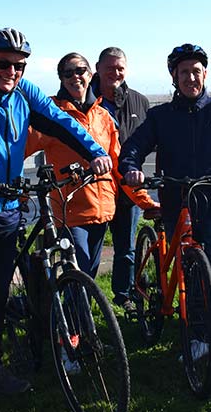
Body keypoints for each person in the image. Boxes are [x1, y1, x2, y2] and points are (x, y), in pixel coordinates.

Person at [0, 28, 112, 394]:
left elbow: (61, 122)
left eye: (20, 66)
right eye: (5, 64)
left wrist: (94, 152)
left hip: (6, 211)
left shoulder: (24, 92)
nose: (13, 72)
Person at [120, 43, 211, 379]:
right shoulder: (160, 117)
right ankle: (198, 339)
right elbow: (133, 148)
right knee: (187, 278)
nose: (190, 77)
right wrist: (131, 167)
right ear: (174, 76)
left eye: (196, 71)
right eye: (183, 72)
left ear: (205, 74)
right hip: (176, 205)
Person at [25, 52, 157, 279]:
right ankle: (63, 314)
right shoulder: (52, 115)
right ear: (61, 79)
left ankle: (71, 313)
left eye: (80, 71)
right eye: (68, 73)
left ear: (90, 74)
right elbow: (18, 150)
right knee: (80, 276)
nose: (75, 77)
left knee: (88, 278)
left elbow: (119, 166)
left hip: (102, 210)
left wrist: (145, 201)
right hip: (70, 212)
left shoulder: (103, 116)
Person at [90, 47, 152, 310]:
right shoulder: (86, 99)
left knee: (126, 247)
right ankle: (85, 301)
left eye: (120, 68)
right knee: (89, 252)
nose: (115, 73)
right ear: (98, 69)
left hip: (129, 188)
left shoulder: (139, 101)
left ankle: (124, 294)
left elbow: (150, 140)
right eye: (110, 68)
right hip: (95, 189)